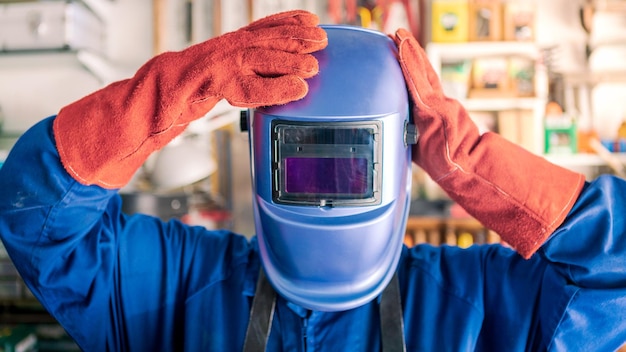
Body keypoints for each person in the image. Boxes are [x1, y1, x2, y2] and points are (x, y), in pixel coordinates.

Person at [0, 9, 625, 351]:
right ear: (259, 148)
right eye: (303, 154)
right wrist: (174, 88)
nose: (331, 188)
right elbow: (35, 212)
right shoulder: (177, 283)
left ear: (405, 155)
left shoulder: (475, 302)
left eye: (353, 159)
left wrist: (469, 155)